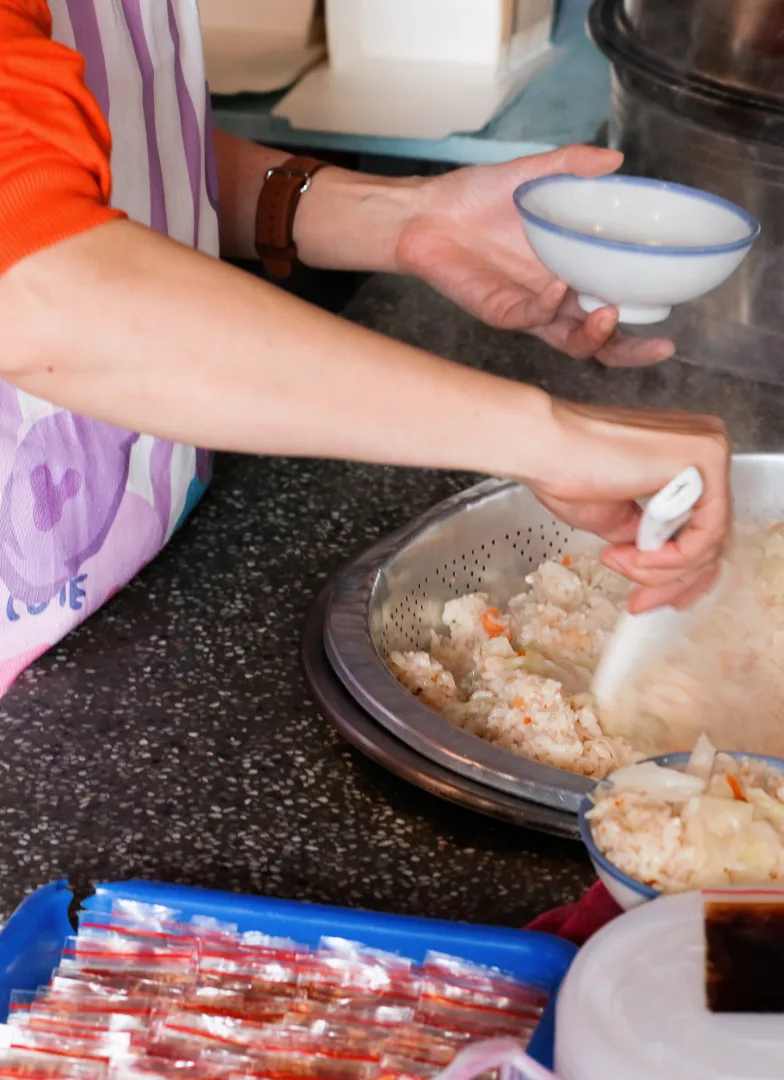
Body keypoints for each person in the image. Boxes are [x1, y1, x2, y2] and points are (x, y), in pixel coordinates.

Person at [0, 0, 733, 694]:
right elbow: (40, 291)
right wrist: (548, 437)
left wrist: (406, 220)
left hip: (140, 569)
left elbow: (104, 143)